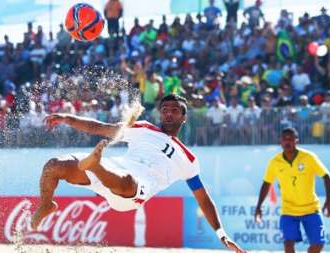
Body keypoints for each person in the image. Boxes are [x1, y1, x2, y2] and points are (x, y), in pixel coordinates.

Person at [31, 94, 245, 252]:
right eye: (165, 109)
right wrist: (67, 118)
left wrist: (222, 235)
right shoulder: (143, 128)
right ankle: (46, 204)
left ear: (184, 117)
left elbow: (204, 199)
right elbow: (100, 128)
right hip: (113, 166)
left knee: (126, 181)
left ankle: (95, 165)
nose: (169, 113)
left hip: (132, 193)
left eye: (175, 110)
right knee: (54, 165)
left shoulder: (188, 159)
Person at [254, 127, 330, 253]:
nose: (287, 142)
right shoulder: (275, 162)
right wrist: (258, 206)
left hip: (311, 209)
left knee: (318, 245)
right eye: (284, 139)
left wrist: (328, 201)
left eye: (290, 139)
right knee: (288, 244)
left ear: (296, 141)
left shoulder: (309, 157)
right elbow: (266, 183)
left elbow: (326, 176)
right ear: (280, 142)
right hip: (288, 211)